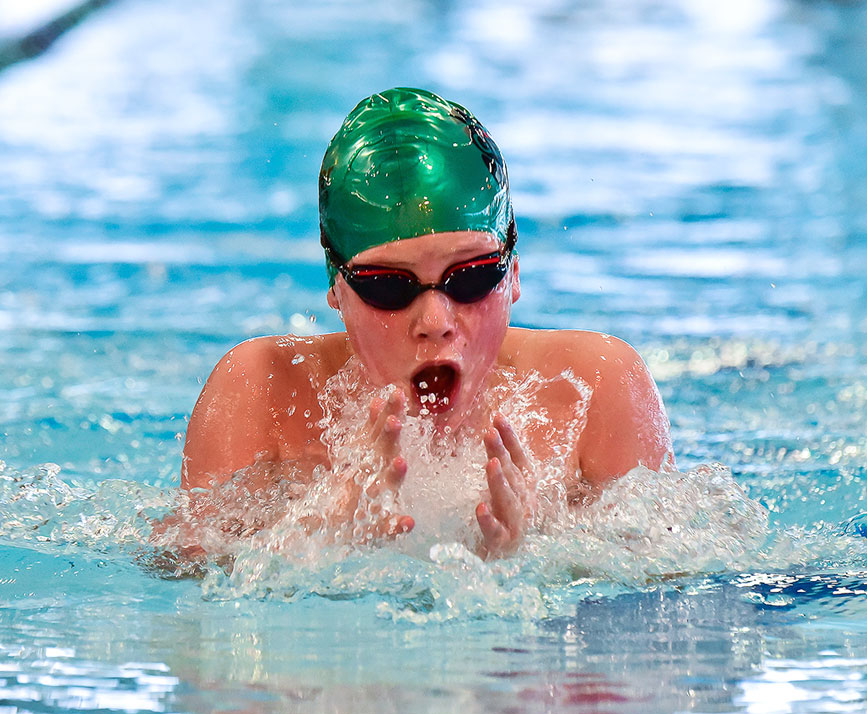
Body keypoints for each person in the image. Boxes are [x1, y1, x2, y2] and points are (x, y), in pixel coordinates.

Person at [164, 87, 673, 563]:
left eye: (471, 278)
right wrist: (314, 542)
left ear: (514, 272)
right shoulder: (260, 390)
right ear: (337, 291)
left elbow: (676, 604)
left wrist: (540, 555)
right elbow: (185, 612)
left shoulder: (596, 387)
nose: (435, 322)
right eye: (389, 286)